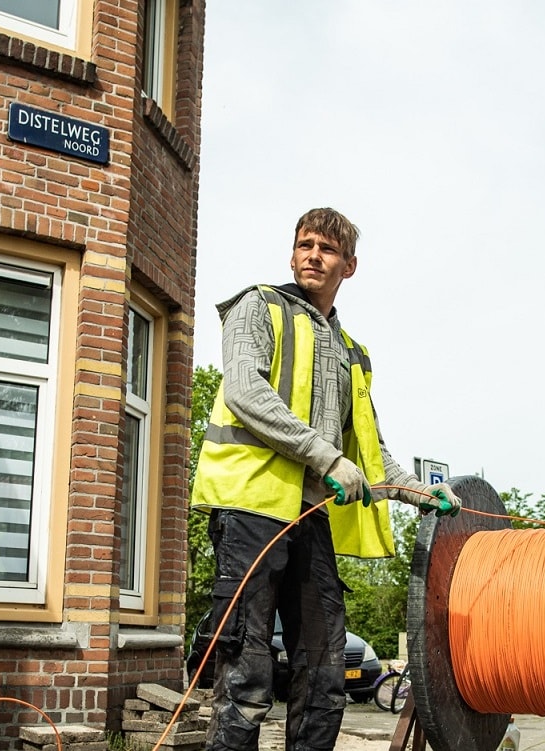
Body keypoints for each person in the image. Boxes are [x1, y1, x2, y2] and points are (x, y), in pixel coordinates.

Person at [191, 207, 461, 750]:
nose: (314, 255)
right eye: (305, 244)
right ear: (292, 254)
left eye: (328, 249)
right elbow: (245, 392)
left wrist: (416, 491)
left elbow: (368, 449)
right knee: (247, 672)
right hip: (250, 509)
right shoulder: (257, 307)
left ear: (350, 266)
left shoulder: (353, 354)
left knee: (325, 674)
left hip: (310, 519)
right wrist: (326, 457)